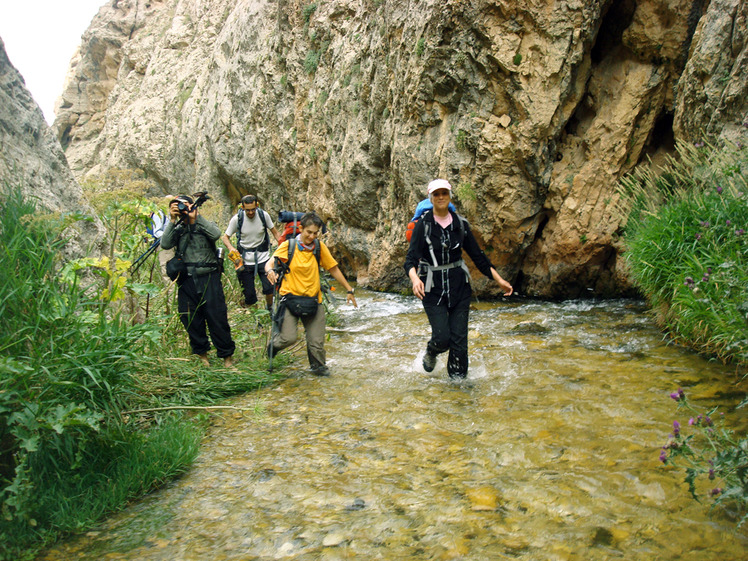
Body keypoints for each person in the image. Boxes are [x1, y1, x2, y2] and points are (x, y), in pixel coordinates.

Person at [404, 179, 513, 379]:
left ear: (450, 196)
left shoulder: (460, 225)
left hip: (459, 288)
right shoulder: (423, 225)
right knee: (442, 337)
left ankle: (458, 387)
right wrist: (415, 279)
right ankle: (432, 351)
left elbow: (478, 256)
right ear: (431, 197)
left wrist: (498, 279)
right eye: (436, 194)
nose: (440, 197)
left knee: (459, 342)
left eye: (444, 193)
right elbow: (410, 260)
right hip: (432, 289)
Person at [265, 212, 357, 376]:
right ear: (301, 229)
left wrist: (349, 289)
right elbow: (269, 263)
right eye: (309, 232)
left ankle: (319, 371)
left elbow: (333, 268)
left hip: (313, 301)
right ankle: (273, 346)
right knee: (288, 338)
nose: (312, 236)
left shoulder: (319, 248)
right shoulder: (289, 246)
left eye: (315, 233)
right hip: (290, 300)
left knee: (316, 343)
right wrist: (270, 271)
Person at [161, 194, 236, 368]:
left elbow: (216, 234)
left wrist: (196, 217)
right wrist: (172, 220)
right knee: (190, 319)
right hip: (187, 281)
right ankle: (203, 357)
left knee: (217, 318)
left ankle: (227, 358)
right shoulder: (177, 229)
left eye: (186, 205)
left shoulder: (204, 225)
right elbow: (165, 244)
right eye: (179, 206)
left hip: (209, 277)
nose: (183, 208)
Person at [221, 195, 282, 310]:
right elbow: (225, 237)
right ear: (242, 207)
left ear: (257, 206)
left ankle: (269, 307)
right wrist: (231, 248)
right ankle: (256, 317)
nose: (250, 212)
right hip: (245, 261)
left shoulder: (263, 215)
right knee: (249, 294)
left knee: (270, 288)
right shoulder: (237, 219)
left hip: (264, 258)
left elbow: (275, 233)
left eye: (253, 209)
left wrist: (283, 247)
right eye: (247, 210)